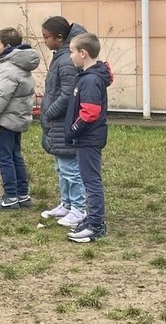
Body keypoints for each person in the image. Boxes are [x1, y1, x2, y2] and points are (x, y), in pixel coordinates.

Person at [39, 16, 88, 227]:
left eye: (46, 37)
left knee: (70, 168)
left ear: (59, 37)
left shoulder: (67, 59)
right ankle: (66, 204)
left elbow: (67, 94)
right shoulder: (61, 55)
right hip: (57, 122)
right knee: (61, 167)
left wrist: (50, 112)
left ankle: (79, 208)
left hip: (62, 121)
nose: (44, 41)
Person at [0, 27, 39, 211]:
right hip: (16, 120)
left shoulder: (8, 69)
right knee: (16, 156)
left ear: (6, 46)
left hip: (4, 121)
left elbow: (0, 97)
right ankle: (22, 194)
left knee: (4, 158)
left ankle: (10, 197)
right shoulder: (22, 66)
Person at [65, 32, 112, 243]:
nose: (70, 56)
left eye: (72, 52)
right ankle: (92, 219)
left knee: (91, 181)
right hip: (86, 138)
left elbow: (90, 111)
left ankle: (96, 224)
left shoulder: (91, 79)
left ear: (83, 53)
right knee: (87, 179)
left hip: (89, 138)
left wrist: (74, 130)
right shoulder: (86, 76)